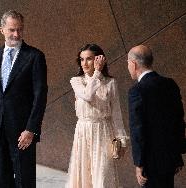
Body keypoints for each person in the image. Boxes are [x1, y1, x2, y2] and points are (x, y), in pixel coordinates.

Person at [0, 10, 47, 188]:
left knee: (25, 181)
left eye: (19, 30)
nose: (16, 34)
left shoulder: (35, 56)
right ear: (1, 30)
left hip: (22, 133)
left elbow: (40, 97)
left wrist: (31, 129)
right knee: (2, 181)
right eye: (11, 30)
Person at [66, 43, 128, 188]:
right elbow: (88, 94)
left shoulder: (111, 83)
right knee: (83, 176)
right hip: (83, 132)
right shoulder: (76, 81)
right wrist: (97, 73)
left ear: (98, 60)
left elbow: (116, 113)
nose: (84, 63)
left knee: (103, 176)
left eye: (89, 59)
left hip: (103, 133)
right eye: (82, 59)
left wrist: (122, 138)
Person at [127, 45, 185, 188]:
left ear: (133, 64)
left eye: (127, 63)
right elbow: (178, 121)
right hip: (169, 158)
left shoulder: (137, 91)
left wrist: (139, 163)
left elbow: (138, 130)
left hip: (150, 162)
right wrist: (177, 157)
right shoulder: (170, 84)